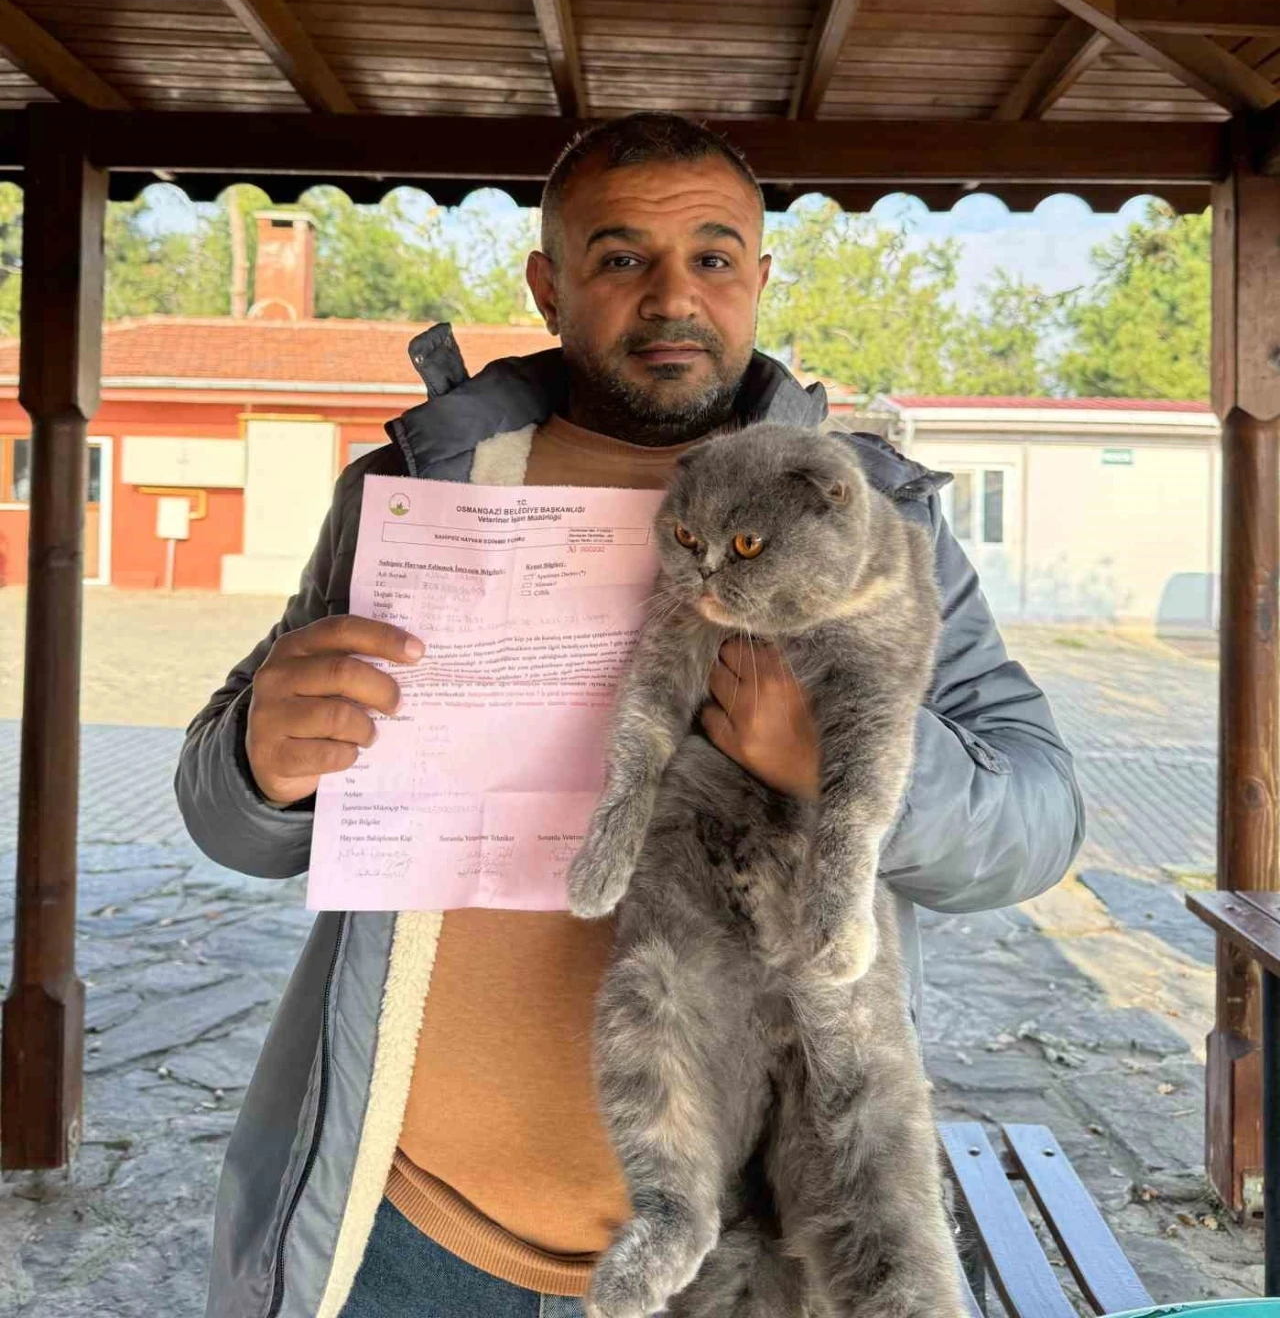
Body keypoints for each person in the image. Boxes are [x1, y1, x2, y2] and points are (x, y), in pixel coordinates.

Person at [177, 111, 1085, 1318]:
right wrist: (260, 761)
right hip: (410, 1222)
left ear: (758, 278)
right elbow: (225, 814)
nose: (672, 298)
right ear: (547, 284)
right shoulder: (413, 489)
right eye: (618, 258)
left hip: (742, 1247)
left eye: (712, 257)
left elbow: (1037, 820)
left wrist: (840, 762)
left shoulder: (870, 519)